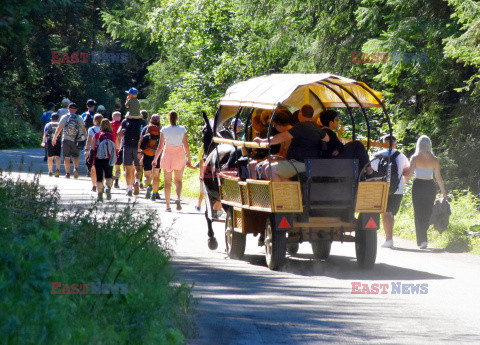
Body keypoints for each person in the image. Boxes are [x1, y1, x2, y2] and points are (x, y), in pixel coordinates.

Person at [254, 104, 330, 180]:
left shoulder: (300, 127)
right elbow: (327, 139)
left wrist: (263, 141)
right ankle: (287, 189)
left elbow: (281, 137)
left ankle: (281, 192)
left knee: (270, 169)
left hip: (299, 163)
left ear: (300, 114)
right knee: (270, 168)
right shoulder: (317, 128)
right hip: (310, 164)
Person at [404, 135, 446, 249]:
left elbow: (409, 175)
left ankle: (422, 240)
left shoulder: (415, 157)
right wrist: (443, 191)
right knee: (428, 211)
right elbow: (438, 177)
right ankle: (424, 239)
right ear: (430, 145)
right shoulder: (435, 159)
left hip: (418, 186)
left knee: (418, 212)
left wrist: (402, 178)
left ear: (418, 145)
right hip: (430, 187)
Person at [371, 135, 410, 248]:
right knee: (391, 213)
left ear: (384, 142)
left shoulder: (377, 155)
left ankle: (389, 240)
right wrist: (403, 181)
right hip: (398, 189)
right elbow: (407, 172)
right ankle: (389, 238)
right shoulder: (401, 156)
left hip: (383, 188)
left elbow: (370, 170)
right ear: (394, 143)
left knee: (385, 213)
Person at [153, 110, 192, 211]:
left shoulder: (164, 129)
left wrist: (155, 159)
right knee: (178, 181)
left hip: (168, 155)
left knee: (167, 182)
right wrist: (189, 158)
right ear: (177, 118)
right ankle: (178, 198)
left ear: (168, 118)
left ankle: (168, 206)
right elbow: (186, 145)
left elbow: (160, 146)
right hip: (179, 154)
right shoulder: (182, 129)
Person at [319, 109, 372, 175]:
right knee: (357, 144)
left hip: (328, 162)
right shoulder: (328, 132)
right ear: (331, 122)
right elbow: (340, 147)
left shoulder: (322, 131)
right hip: (333, 162)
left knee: (354, 148)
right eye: (336, 120)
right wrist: (339, 149)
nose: (338, 122)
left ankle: (362, 173)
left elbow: (335, 145)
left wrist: (338, 148)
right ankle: (369, 171)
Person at [116, 87, 146, 196]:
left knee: (128, 169)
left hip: (127, 146)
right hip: (138, 148)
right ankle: (137, 181)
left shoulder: (125, 121)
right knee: (138, 168)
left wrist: (119, 145)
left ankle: (129, 188)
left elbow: (119, 135)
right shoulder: (143, 122)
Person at [52, 103, 87, 179]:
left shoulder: (65, 117)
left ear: (68, 109)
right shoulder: (79, 118)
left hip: (66, 140)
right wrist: (85, 138)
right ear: (76, 109)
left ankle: (67, 173)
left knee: (66, 157)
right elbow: (83, 128)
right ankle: (76, 168)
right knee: (76, 156)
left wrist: (54, 137)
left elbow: (59, 128)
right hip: (76, 140)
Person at [92, 119, 116, 201]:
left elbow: (92, 147)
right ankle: (108, 187)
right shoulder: (112, 135)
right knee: (108, 175)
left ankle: (99, 194)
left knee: (99, 177)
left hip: (98, 158)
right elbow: (115, 147)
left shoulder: (97, 135)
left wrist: (90, 156)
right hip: (109, 158)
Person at [139, 114, 162, 200]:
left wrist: (140, 151)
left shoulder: (146, 128)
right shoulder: (161, 130)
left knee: (147, 175)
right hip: (157, 154)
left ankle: (148, 185)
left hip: (147, 154)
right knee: (156, 176)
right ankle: (154, 193)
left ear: (150, 120)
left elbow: (141, 140)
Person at [84, 114, 103, 191]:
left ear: (96, 120)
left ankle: (94, 185)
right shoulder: (105, 129)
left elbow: (89, 140)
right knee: (102, 168)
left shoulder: (92, 129)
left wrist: (86, 149)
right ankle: (101, 184)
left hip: (94, 150)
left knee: (94, 168)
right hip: (103, 150)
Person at [41, 112, 61, 177]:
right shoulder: (60, 124)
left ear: (51, 119)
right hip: (58, 141)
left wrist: (43, 142)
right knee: (57, 156)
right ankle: (57, 169)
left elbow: (45, 134)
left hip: (49, 141)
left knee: (50, 157)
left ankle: (50, 171)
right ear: (58, 119)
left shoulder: (48, 125)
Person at [110, 111, 123, 188]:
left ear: (113, 117)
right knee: (117, 166)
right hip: (119, 148)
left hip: (110, 148)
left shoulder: (109, 125)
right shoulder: (123, 125)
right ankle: (117, 181)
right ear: (120, 118)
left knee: (110, 164)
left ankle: (110, 177)